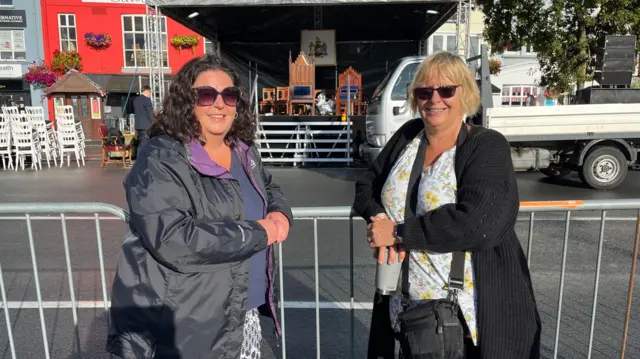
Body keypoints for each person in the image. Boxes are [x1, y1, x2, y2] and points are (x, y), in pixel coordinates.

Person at [352, 51, 541, 359]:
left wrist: (398, 233)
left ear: (465, 93)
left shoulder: (486, 146)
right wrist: (377, 219)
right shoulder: (408, 137)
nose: (434, 99)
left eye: (446, 90)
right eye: (424, 91)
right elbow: (366, 186)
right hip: (409, 314)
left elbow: (478, 224)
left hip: (466, 319)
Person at [106, 54, 293, 359]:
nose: (219, 104)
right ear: (186, 102)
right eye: (206, 95)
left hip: (242, 312)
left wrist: (280, 212)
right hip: (192, 321)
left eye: (229, 95)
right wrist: (259, 233)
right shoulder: (162, 157)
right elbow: (173, 239)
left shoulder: (244, 151)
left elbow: (269, 186)